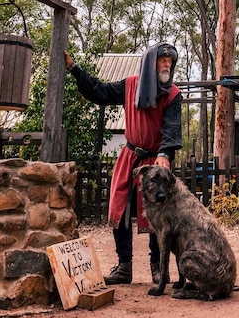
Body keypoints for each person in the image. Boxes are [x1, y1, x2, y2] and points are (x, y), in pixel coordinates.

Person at [64, 42, 182, 285]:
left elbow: (171, 128)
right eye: (162, 60)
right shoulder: (130, 85)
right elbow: (101, 91)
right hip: (129, 156)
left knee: (157, 215)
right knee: (119, 209)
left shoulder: (173, 94)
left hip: (155, 161)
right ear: (151, 62)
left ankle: (158, 269)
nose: (167, 65)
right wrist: (74, 68)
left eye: (170, 62)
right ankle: (124, 266)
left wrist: (164, 154)